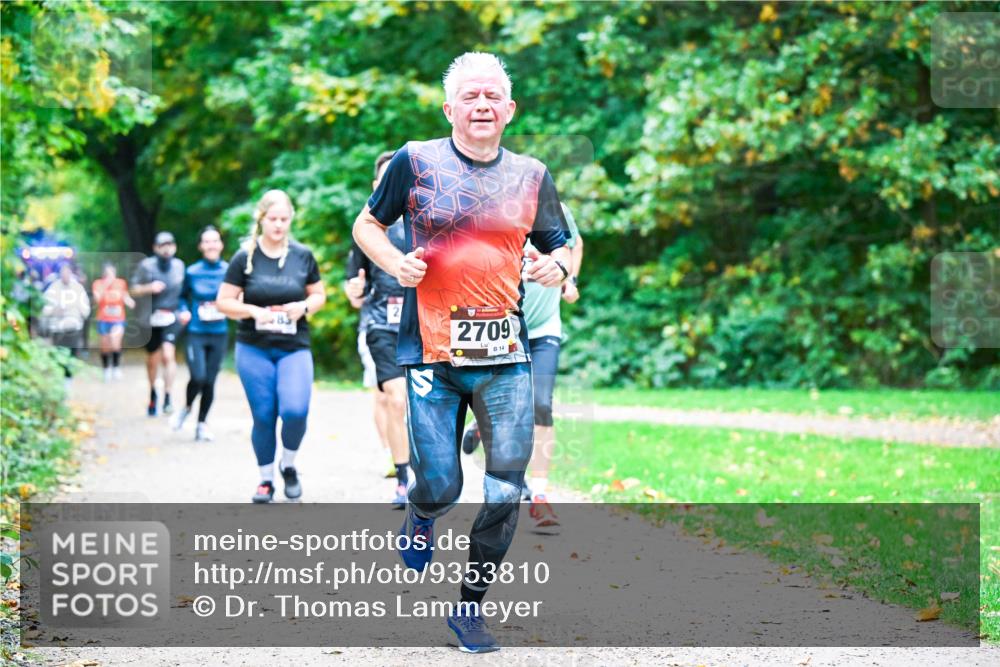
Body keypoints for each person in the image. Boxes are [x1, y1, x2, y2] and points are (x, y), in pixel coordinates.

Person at [353, 52, 571, 653]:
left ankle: (470, 608)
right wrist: (395, 261)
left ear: (510, 109)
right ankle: (422, 513)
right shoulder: (416, 161)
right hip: (431, 354)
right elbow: (366, 225)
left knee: (505, 488)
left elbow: (564, 245)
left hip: (506, 356)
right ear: (450, 108)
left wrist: (556, 266)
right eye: (470, 96)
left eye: (492, 96)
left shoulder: (532, 175)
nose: (482, 105)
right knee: (443, 484)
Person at [462, 202, 583, 534]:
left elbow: (575, 243)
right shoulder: (493, 212)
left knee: (540, 403)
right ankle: (480, 420)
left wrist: (569, 279)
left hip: (544, 329)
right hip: (503, 327)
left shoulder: (556, 211)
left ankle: (540, 494)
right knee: (505, 405)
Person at [216, 190, 326, 504]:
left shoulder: (302, 255)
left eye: (284, 219)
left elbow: (319, 295)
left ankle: (288, 465)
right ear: (261, 219)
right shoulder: (244, 257)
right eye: (272, 219)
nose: (278, 225)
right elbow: (223, 302)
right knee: (264, 415)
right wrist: (252, 311)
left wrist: (303, 306)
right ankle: (265, 480)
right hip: (254, 347)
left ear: (291, 219)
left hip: (294, 346)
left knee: (295, 411)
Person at [345, 150, 410, 509]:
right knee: (393, 399)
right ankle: (403, 478)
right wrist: (353, 291)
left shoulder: (425, 221)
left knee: (429, 403)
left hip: (423, 324)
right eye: (387, 179)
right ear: (377, 185)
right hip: (380, 325)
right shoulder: (366, 230)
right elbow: (353, 286)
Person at [173, 226, 229, 442]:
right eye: (207, 241)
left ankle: (202, 424)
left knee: (210, 381)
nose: (211, 245)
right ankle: (186, 408)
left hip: (219, 332)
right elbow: (181, 297)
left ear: (221, 244)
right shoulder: (192, 271)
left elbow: (239, 294)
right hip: (197, 332)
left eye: (215, 241)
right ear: (200, 246)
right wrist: (184, 310)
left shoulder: (229, 271)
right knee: (198, 376)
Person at [131, 231, 187, 416]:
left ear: (175, 247)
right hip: (151, 317)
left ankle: (168, 397)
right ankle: (153, 393)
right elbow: (133, 289)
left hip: (171, 316)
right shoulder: (146, 266)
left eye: (170, 244)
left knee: (168, 356)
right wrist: (149, 288)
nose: (166, 248)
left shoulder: (179, 266)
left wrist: (184, 309)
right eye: (162, 244)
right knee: (153, 360)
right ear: (155, 247)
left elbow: (185, 292)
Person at [41, 264, 90, 387]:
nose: (65, 276)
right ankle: (59, 382)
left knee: (71, 355)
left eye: (67, 273)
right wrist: (54, 310)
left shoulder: (78, 288)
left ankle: (68, 382)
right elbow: (44, 308)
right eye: (63, 273)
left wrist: (76, 310)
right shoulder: (53, 288)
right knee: (59, 355)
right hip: (57, 328)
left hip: (73, 327)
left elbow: (85, 309)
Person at [91, 262, 135, 381]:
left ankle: (116, 367)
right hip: (103, 318)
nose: (110, 275)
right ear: (104, 273)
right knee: (105, 346)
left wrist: (129, 301)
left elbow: (125, 295)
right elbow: (96, 300)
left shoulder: (121, 283)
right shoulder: (98, 284)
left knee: (115, 342)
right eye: (108, 273)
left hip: (118, 318)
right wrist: (105, 286)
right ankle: (106, 369)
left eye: (112, 273)